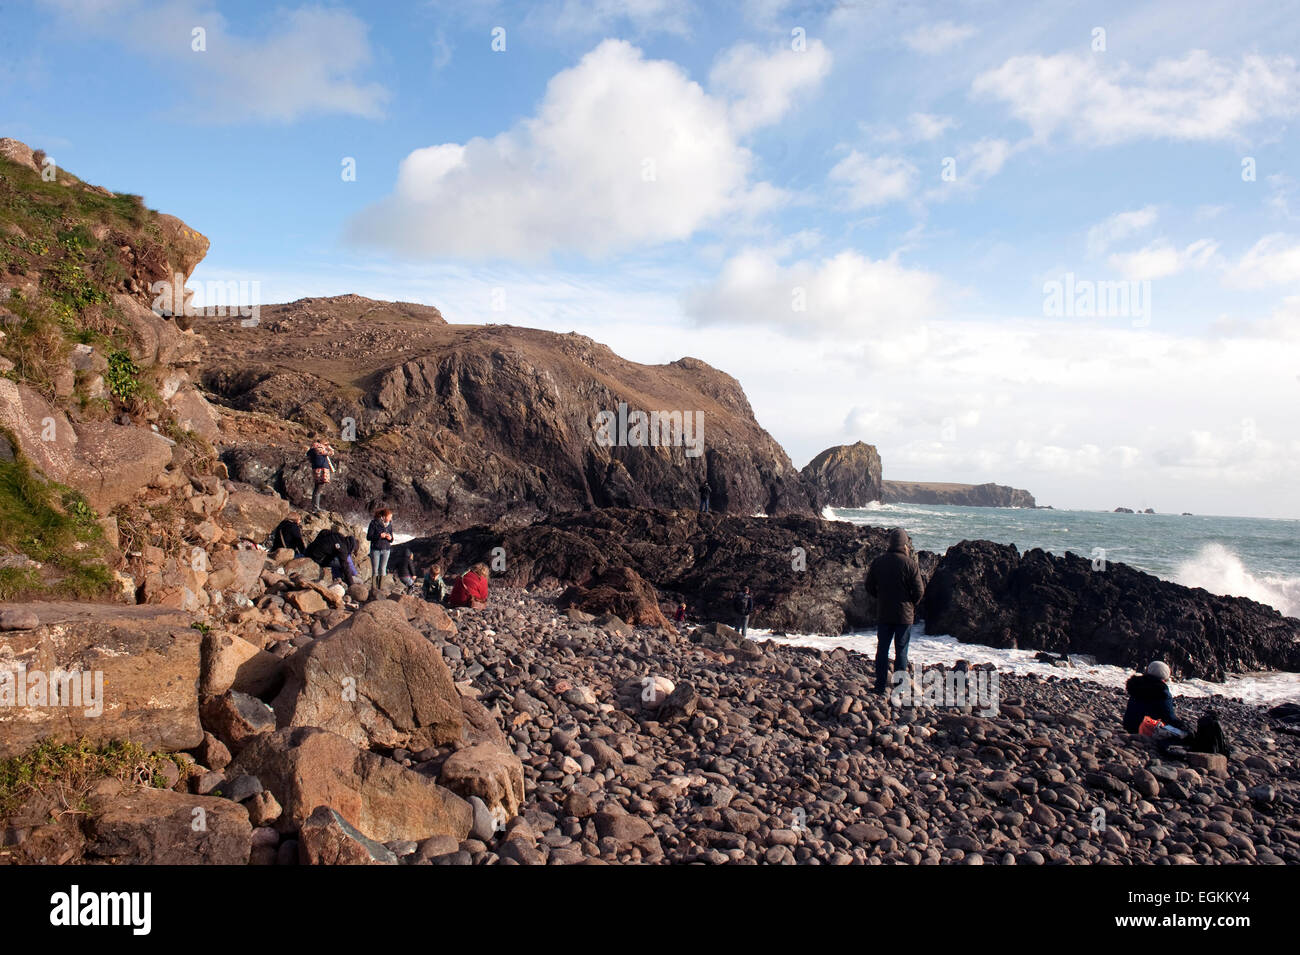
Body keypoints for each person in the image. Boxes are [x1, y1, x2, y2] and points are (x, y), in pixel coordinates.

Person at [864, 527, 926, 695]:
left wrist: (880, 597)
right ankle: (899, 688)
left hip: (884, 613)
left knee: (882, 650)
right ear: (905, 545)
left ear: (890, 543)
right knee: (901, 651)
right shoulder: (910, 564)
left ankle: (880, 686)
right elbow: (919, 591)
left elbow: (869, 586)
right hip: (904, 616)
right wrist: (912, 604)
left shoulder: (879, 562)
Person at [1123, 661, 1190, 735]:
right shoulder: (1162, 691)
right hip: (1147, 728)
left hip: (1129, 726)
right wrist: (1181, 725)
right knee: (1185, 733)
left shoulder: (1137, 684)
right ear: (1165, 675)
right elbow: (1169, 717)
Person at [366, 507, 394, 592]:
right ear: (384, 516)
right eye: (389, 517)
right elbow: (369, 537)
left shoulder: (389, 524)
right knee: (375, 569)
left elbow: (392, 539)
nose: (390, 519)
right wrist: (379, 536)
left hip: (386, 549)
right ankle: (374, 589)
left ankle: (381, 589)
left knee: (383, 569)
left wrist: (390, 538)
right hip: (376, 549)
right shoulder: (374, 523)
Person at [306, 437, 336, 513]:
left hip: (317, 469)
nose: (327, 446)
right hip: (321, 470)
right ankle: (315, 507)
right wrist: (330, 448)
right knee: (318, 489)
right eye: (326, 444)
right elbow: (330, 453)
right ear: (323, 443)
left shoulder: (314, 449)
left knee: (317, 488)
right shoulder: (319, 448)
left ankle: (315, 506)